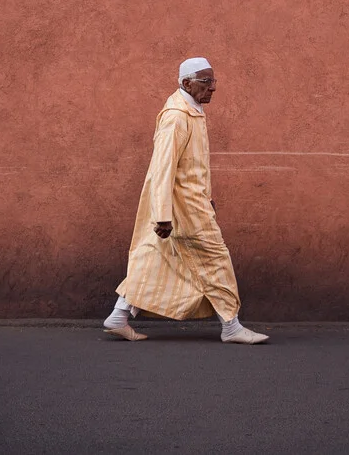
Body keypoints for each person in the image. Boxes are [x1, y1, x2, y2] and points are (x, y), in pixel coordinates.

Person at [103, 57, 269, 344]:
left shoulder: (192, 111)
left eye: (213, 82)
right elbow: (162, 169)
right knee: (217, 259)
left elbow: (192, 167)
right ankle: (231, 326)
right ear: (186, 83)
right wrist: (163, 215)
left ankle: (118, 316)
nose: (212, 89)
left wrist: (208, 197)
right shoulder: (176, 117)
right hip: (184, 209)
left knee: (156, 258)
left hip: (192, 203)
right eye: (206, 82)